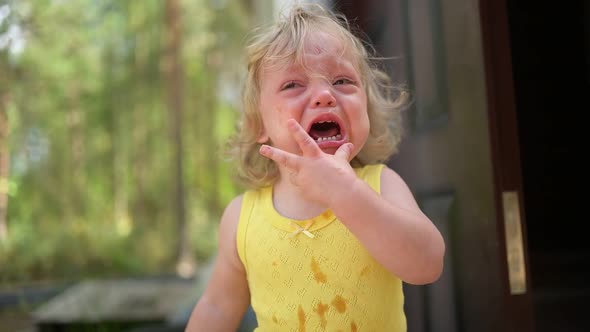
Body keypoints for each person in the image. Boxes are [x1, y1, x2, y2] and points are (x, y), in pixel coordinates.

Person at [186, 3, 445, 331]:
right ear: (259, 124)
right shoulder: (241, 219)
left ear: (366, 108)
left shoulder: (381, 186)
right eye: (293, 85)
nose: (324, 95)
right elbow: (218, 308)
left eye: (342, 81)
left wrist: (347, 193)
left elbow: (427, 264)